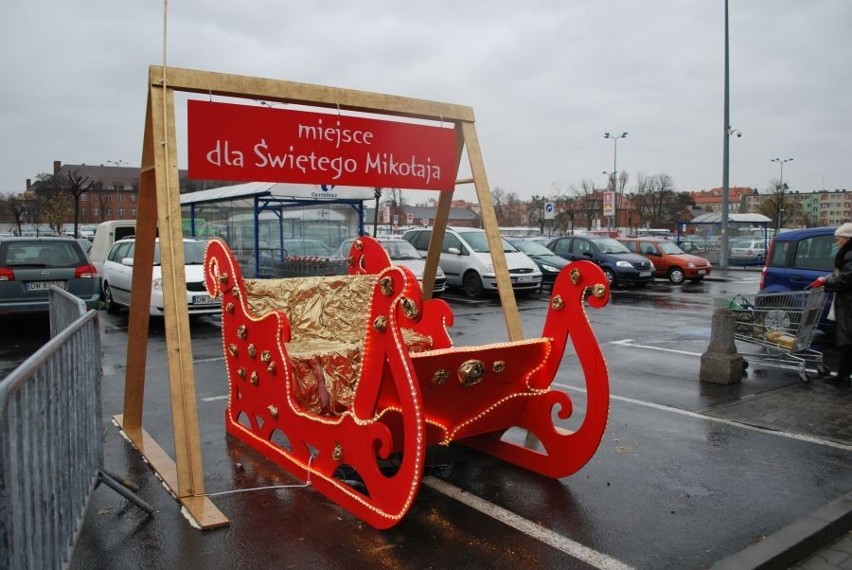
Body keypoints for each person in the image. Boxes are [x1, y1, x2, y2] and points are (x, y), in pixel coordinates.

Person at [810, 222, 852, 385]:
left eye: (839, 239)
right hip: (846, 302)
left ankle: (842, 377)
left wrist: (827, 282)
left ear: (848, 239)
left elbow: (846, 279)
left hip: (849, 304)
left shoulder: (849, 255)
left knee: (847, 342)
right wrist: (827, 279)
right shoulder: (847, 254)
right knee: (847, 341)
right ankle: (842, 375)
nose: (837, 242)